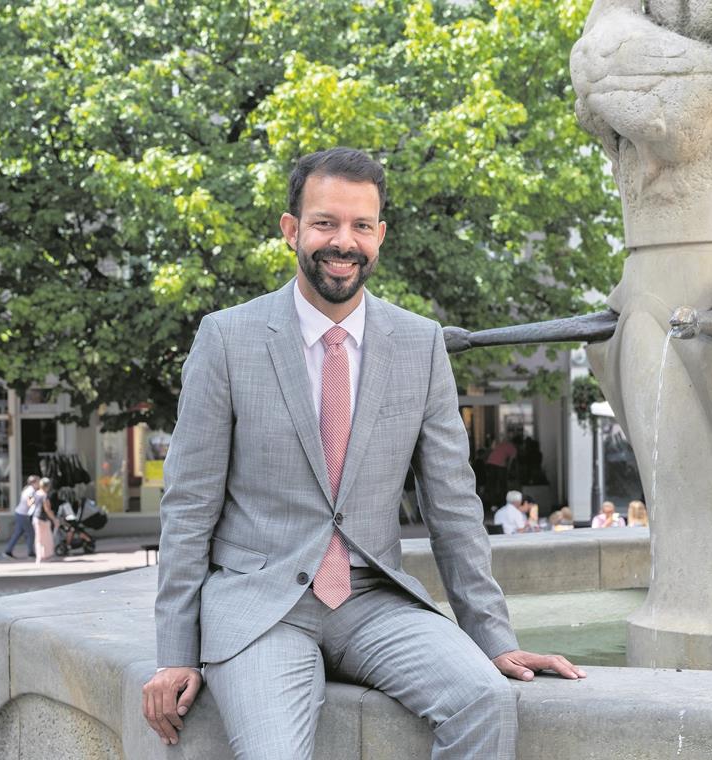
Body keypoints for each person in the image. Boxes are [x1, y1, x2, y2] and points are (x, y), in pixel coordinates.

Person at [143, 147, 584, 759]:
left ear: (381, 235)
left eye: (360, 226)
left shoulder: (420, 344)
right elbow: (188, 507)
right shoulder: (227, 338)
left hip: (373, 601)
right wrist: (174, 656)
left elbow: (454, 506)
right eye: (325, 223)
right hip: (259, 605)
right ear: (291, 230)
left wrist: (492, 637)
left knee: (484, 700)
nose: (342, 242)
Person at [2, 475, 38, 559]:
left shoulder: (28, 489)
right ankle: (31, 553)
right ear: (33, 483)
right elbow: (30, 503)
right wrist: (36, 500)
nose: (39, 484)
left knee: (17, 533)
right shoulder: (31, 491)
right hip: (23, 514)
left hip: (20, 513)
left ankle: (8, 551)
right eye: (37, 482)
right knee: (31, 533)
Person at [31, 477, 57, 564]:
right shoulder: (44, 496)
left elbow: (31, 502)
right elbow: (47, 509)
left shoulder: (36, 493)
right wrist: (54, 519)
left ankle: (40, 556)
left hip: (36, 518)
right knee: (47, 538)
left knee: (39, 539)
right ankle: (44, 556)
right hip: (43, 519)